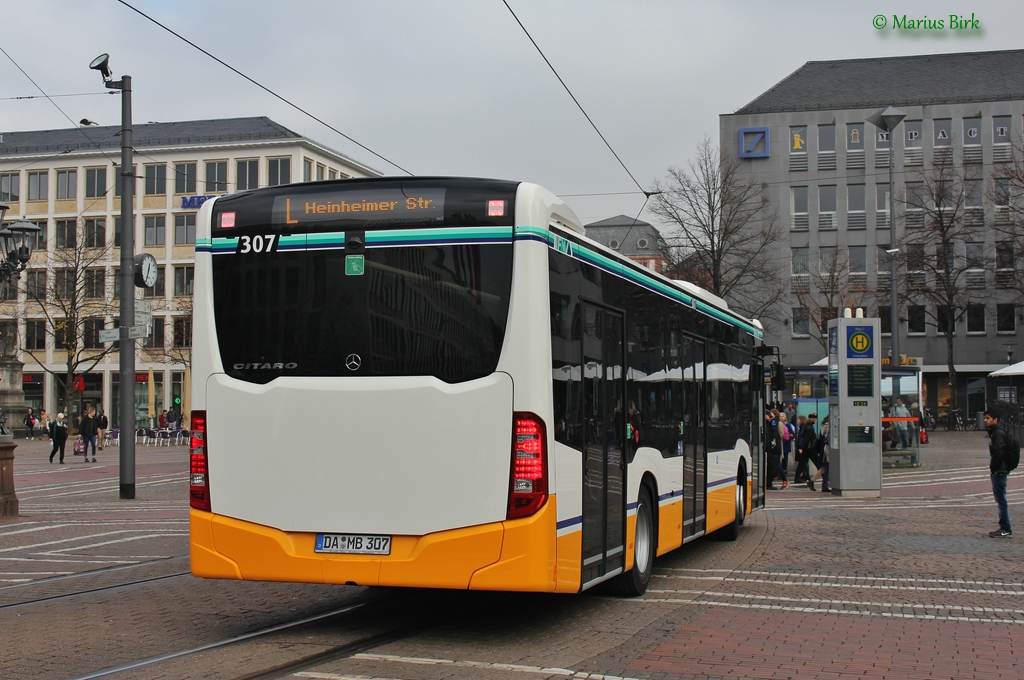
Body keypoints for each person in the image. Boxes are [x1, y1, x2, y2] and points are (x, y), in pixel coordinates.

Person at [983, 408, 1012, 538]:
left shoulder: (998, 433)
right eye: (985, 418)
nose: (985, 420)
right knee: (1000, 498)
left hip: (1000, 470)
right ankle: (1004, 526)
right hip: (999, 469)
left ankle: (1005, 527)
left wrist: (993, 467)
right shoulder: (995, 432)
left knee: (1001, 499)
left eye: (988, 418)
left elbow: (998, 452)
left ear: (996, 420)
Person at [808, 415, 831, 492]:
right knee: (827, 468)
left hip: (823, 449)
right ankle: (824, 486)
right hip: (827, 450)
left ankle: (812, 481)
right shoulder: (829, 426)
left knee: (824, 468)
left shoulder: (825, 426)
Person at [795, 413, 818, 484]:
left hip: (805, 448)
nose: (817, 420)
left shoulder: (806, 426)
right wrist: (801, 447)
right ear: (813, 419)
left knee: (802, 463)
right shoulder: (809, 428)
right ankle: (825, 477)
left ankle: (800, 477)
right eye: (816, 419)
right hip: (808, 448)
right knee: (818, 463)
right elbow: (805, 438)